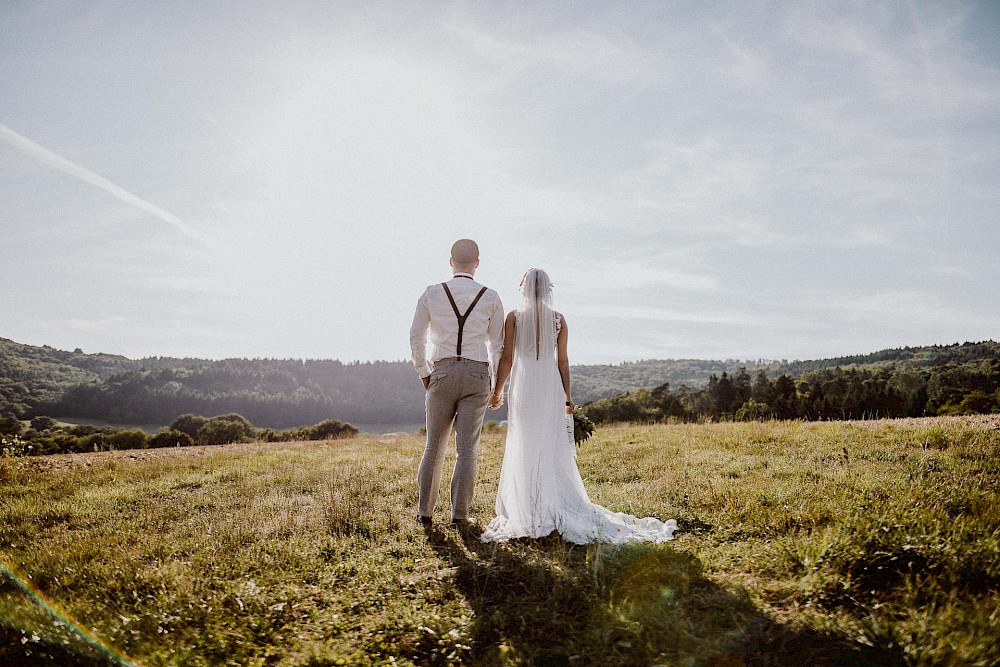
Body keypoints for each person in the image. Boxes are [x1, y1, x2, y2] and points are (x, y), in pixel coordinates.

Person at [481, 268, 677, 544]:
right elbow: (562, 361)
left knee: (525, 442)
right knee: (549, 443)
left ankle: (530, 505)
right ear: (548, 289)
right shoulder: (559, 320)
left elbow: (508, 360)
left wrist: (497, 390)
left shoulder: (514, 318)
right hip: (550, 386)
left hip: (524, 387)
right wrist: (567, 396)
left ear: (523, 288)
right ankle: (551, 500)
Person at [410, 239, 505, 527]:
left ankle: (425, 513)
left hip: (441, 371)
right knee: (467, 451)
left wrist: (424, 372)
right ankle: (460, 517)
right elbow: (498, 346)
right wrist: (498, 388)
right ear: (477, 262)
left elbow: (416, 337)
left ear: (451, 261)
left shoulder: (432, 293)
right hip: (477, 375)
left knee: (434, 447)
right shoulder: (491, 297)